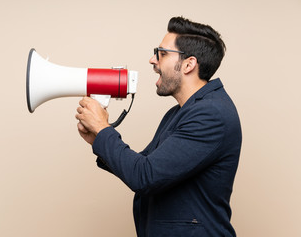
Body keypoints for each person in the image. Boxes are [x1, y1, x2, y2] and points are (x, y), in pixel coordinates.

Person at [75, 16, 242, 237]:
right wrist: (98, 137)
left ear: (188, 64)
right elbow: (143, 164)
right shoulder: (180, 112)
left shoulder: (211, 114)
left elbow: (144, 176)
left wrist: (104, 129)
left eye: (161, 53)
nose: (152, 60)